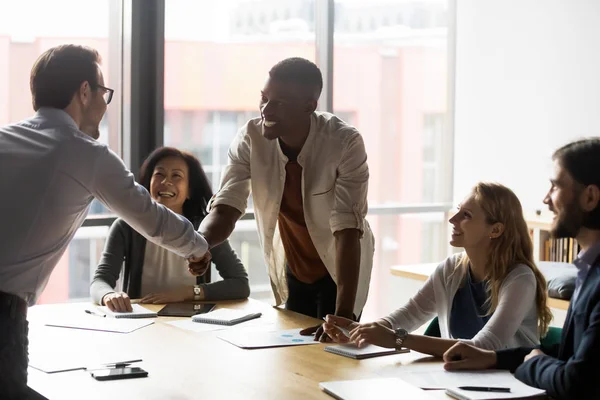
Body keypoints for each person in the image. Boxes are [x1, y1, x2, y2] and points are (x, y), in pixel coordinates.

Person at [0, 45, 207, 399]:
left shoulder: (6, 139)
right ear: (84, 92)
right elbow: (151, 219)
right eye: (103, 93)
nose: (104, 105)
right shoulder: (85, 153)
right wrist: (198, 247)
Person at [190, 57, 374, 340]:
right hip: (295, 268)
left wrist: (344, 316)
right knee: (295, 355)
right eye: (263, 98)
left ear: (309, 105)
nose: (266, 109)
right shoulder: (250, 138)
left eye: (279, 102)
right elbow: (227, 205)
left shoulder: (345, 143)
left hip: (341, 271)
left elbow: (347, 229)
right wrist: (200, 243)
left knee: (334, 356)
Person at [442, 139, 600, 400]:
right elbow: (572, 356)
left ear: (590, 197)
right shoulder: (587, 269)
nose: (546, 199)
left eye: (556, 186)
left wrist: (534, 362)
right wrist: (493, 358)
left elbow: (577, 380)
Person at [324, 182, 553, 358]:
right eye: (457, 211)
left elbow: (484, 347)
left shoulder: (520, 279)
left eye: (466, 216)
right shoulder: (450, 270)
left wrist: (397, 339)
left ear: (495, 230)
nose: (453, 219)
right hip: (460, 382)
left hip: (512, 388)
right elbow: (407, 316)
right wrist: (357, 331)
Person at [91, 147, 250, 311]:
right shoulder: (125, 227)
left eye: (177, 176)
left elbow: (240, 284)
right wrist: (108, 295)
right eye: (159, 174)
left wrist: (189, 293)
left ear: (189, 190)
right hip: (140, 322)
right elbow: (100, 281)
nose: (166, 182)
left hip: (191, 324)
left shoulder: (207, 230)